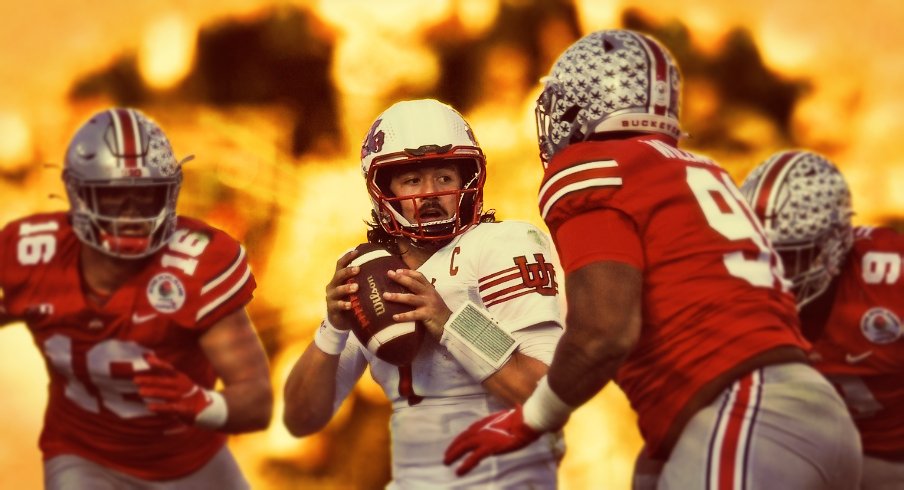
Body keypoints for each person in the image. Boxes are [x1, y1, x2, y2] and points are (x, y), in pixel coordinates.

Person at [443, 29, 862, 489]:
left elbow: (598, 336)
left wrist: (522, 408)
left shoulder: (593, 170)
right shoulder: (696, 171)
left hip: (738, 409)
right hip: (804, 409)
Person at [283, 98, 565, 488]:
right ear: (383, 189)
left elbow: (544, 394)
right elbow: (302, 417)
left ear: (467, 181)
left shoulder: (504, 243)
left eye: (444, 177)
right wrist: (332, 327)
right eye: (412, 180)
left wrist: (451, 322)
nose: (429, 194)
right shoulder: (371, 272)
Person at [0, 108, 273, 489]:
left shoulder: (199, 265)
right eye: (114, 199)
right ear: (79, 197)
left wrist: (200, 403)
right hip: (87, 458)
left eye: (145, 196)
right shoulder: (34, 255)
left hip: (189, 460)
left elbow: (256, 401)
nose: (131, 216)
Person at [741, 149, 904, 489]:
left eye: (791, 258)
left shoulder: (890, 278)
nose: (774, 271)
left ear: (833, 246)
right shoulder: (730, 285)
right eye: (760, 253)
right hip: (802, 452)